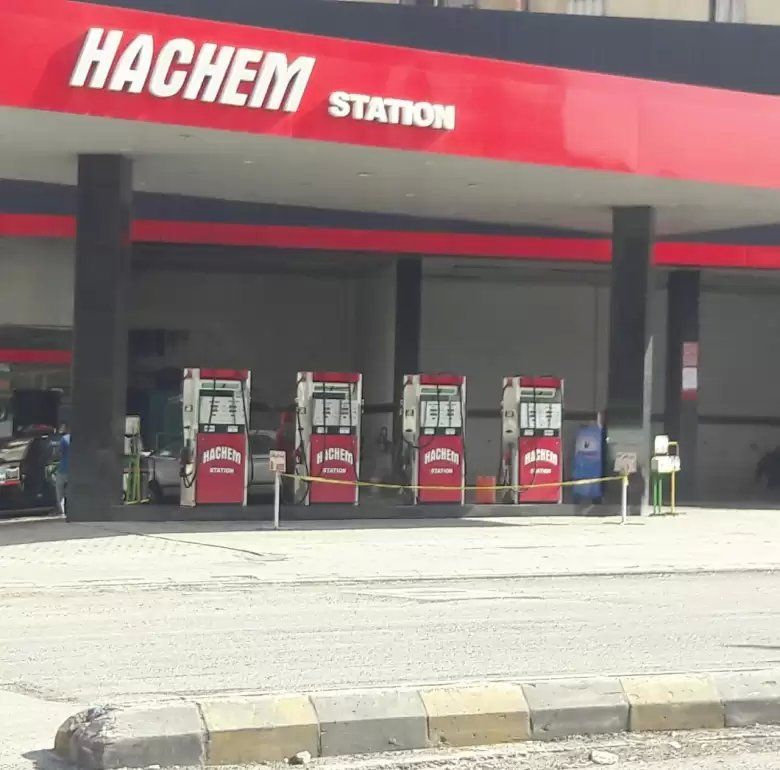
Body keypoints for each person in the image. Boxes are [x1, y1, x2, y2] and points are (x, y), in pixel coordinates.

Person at [55, 423, 70, 514]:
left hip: (64, 468)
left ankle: (62, 510)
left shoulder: (64, 439)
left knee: (59, 489)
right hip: (75, 469)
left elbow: (59, 453)